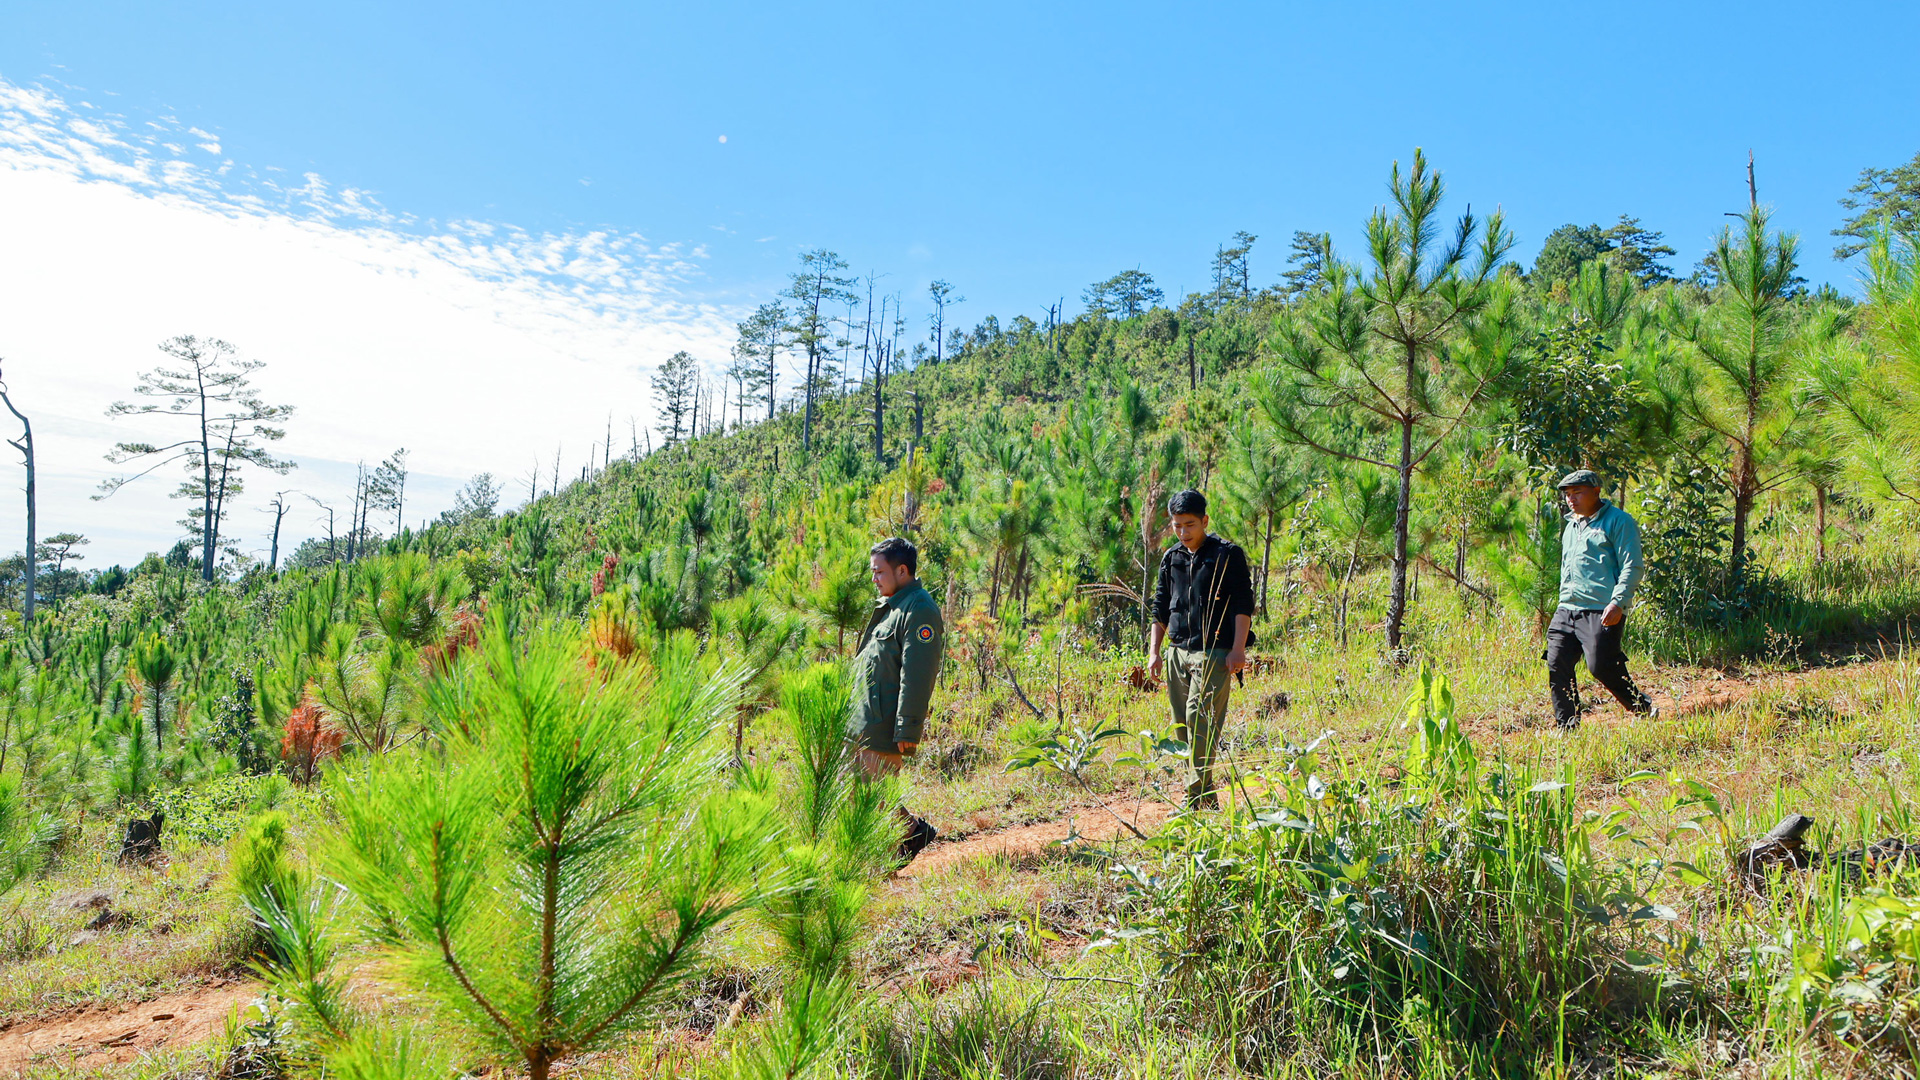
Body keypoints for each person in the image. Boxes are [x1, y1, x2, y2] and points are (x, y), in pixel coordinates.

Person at [1146, 490, 1255, 809]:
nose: (1183, 532)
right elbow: (1161, 606)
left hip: (1215, 654)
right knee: (1183, 727)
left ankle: (1192, 796)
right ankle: (1206, 799)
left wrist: (1238, 649)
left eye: (1190, 524)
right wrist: (1155, 651)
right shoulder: (1172, 558)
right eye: (1177, 526)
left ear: (1205, 521)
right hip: (1177, 653)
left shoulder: (1227, 555)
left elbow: (1242, 603)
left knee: (1200, 721)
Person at [849, 536, 943, 859]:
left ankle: (910, 836)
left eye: (879, 572)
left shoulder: (920, 610)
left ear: (902, 571)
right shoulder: (891, 607)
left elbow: (917, 674)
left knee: (877, 796)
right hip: (862, 722)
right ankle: (890, 848)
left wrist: (908, 727)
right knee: (859, 795)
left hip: (883, 724)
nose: (874, 579)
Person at [1548, 469, 1657, 730]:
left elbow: (1632, 566)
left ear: (1597, 492)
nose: (1571, 499)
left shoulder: (1619, 522)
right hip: (1567, 608)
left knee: (1600, 666)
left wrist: (1618, 602)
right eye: (1567, 494)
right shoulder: (1572, 525)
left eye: (1578, 493)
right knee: (1557, 662)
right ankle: (1567, 725)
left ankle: (1641, 707)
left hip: (1602, 608)